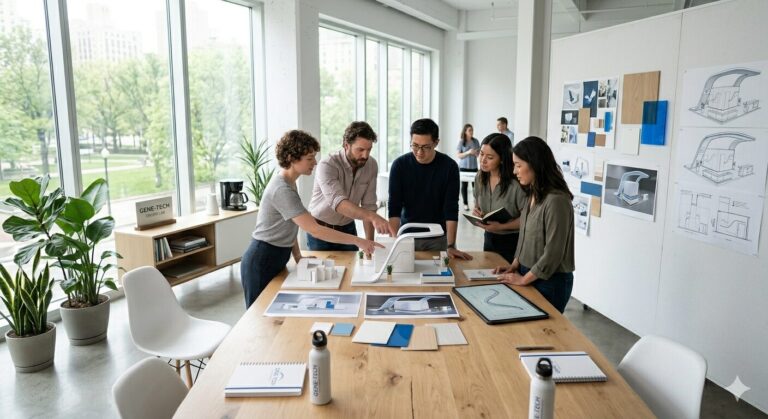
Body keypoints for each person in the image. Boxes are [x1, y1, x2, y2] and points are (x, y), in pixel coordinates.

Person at [241, 130, 382, 307]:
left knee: (272, 311)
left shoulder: (289, 183)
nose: (315, 163)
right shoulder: (281, 189)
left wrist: (298, 255)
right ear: (292, 158)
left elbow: (291, 225)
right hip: (262, 257)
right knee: (257, 315)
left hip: (276, 254)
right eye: (309, 158)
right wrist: (359, 241)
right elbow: (314, 229)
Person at [493, 136, 574, 313]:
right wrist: (515, 265)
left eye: (519, 165)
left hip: (550, 282)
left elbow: (553, 253)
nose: (514, 171)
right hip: (528, 273)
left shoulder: (556, 200)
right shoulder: (533, 194)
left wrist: (523, 279)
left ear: (535, 165)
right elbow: (525, 237)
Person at [388, 118, 473, 260]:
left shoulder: (449, 167)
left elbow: (451, 208)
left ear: (436, 143)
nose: (419, 152)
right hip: (407, 236)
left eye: (425, 147)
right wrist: (393, 242)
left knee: (439, 279)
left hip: (438, 238)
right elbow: (394, 206)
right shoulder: (399, 166)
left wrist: (451, 245)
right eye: (415, 146)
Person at [308, 121, 394, 251]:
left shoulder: (371, 165)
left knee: (353, 270)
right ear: (346, 145)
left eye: (369, 150)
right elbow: (338, 203)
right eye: (360, 150)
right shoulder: (327, 165)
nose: (365, 155)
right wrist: (374, 217)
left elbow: (369, 206)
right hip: (321, 229)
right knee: (323, 271)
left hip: (348, 228)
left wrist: (369, 243)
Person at [471, 133, 526, 263]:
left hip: (513, 242)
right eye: (481, 154)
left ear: (502, 159)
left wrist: (501, 227)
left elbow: (528, 219)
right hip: (489, 238)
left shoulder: (516, 183)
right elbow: (477, 204)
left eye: (489, 157)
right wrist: (477, 213)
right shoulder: (480, 177)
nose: (483, 160)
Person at [456, 123, 480, 212]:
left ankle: (476, 203)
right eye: (469, 130)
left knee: (476, 186)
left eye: (472, 130)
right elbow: (458, 155)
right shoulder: (461, 142)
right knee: (464, 186)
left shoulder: (476, 141)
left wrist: (476, 153)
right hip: (463, 167)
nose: (471, 132)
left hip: (474, 167)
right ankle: (465, 204)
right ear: (465, 131)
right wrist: (468, 152)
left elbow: (479, 154)